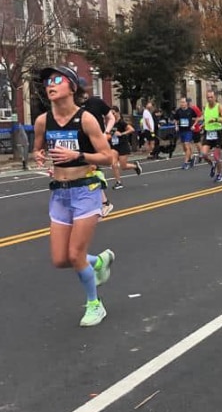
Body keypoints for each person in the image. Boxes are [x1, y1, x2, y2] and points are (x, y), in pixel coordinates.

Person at [33, 66, 115, 327]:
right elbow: (38, 148)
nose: (50, 84)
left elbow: (107, 156)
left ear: (71, 86)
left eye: (57, 79)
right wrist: (39, 155)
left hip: (86, 191)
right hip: (60, 194)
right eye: (47, 81)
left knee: (75, 254)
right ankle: (99, 261)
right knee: (60, 259)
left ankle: (95, 304)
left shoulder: (87, 119)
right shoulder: (42, 121)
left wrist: (77, 156)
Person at [78, 78, 115, 217]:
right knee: (84, 171)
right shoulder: (74, 106)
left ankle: (104, 203)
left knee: (92, 170)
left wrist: (106, 133)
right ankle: (97, 201)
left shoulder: (96, 102)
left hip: (96, 143)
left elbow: (111, 118)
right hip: (81, 142)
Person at [196, 90, 222, 183]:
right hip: (208, 133)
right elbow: (206, 119)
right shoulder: (206, 107)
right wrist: (203, 125)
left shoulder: (219, 107)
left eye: (211, 97)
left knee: (216, 156)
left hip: (217, 133)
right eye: (208, 97)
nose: (210, 99)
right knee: (203, 154)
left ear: (215, 97)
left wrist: (216, 119)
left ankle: (219, 174)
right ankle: (212, 164)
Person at [109, 106, 142, 189]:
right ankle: (118, 182)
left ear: (117, 113)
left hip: (123, 145)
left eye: (113, 113)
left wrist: (122, 133)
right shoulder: (111, 122)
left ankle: (135, 166)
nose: (112, 115)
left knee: (123, 166)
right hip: (114, 145)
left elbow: (131, 129)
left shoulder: (121, 122)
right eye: (111, 113)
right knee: (114, 164)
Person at [173, 97, 197, 169]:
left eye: (183, 102)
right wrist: (176, 126)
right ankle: (191, 158)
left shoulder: (190, 110)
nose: (182, 104)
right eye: (181, 102)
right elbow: (176, 119)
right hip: (181, 130)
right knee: (185, 147)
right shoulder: (178, 111)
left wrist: (194, 125)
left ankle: (186, 163)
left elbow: (198, 117)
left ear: (186, 103)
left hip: (188, 130)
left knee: (186, 145)